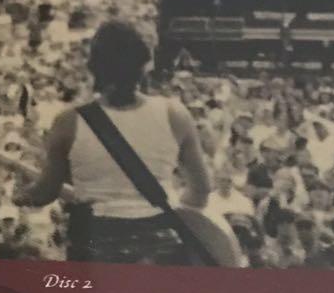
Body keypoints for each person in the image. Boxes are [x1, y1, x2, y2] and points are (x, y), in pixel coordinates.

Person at [15, 21, 211, 264]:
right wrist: (173, 212)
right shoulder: (175, 115)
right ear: (146, 64)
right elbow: (201, 191)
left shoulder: (69, 122)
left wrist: (19, 195)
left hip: (94, 248)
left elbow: (44, 194)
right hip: (160, 251)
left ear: (95, 66)